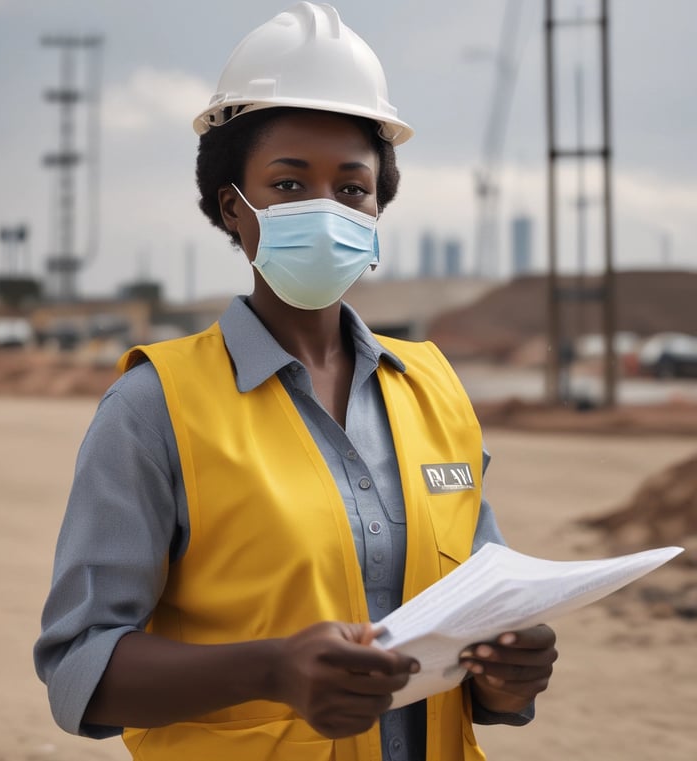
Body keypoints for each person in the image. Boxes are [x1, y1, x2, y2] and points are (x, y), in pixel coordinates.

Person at [34, 4, 557, 760]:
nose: (325, 208)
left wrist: (509, 675)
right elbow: (80, 666)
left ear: (378, 212)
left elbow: (475, 627)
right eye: (287, 183)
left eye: (352, 189)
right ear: (232, 210)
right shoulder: (156, 406)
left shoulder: (436, 393)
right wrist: (272, 668)